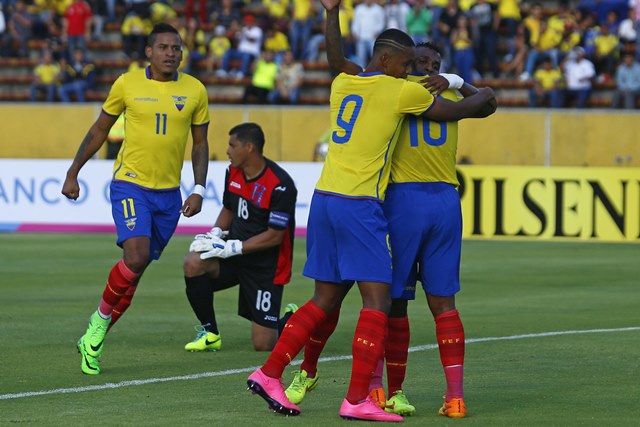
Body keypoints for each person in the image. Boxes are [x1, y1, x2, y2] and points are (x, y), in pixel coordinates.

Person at [246, 0, 495, 422]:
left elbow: (335, 56)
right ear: (387, 60)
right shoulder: (403, 91)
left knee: (325, 298)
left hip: (324, 198)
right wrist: (453, 80)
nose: (409, 70)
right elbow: (477, 105)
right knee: (381, 300)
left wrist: (331, 14)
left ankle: (273, 373)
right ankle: (362, 396)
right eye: (405, 63)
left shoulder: (345, 81)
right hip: (365, 204)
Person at [61, 23, 210, 376]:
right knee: (136, 255)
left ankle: (93, 339)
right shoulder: (126, 84)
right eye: (163, 47)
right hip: (130, 185)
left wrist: (199, 188)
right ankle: (98, 323)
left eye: (176, 48)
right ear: (149, 52)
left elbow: (200, 143)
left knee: (136, 270)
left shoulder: (195, 90)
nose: (171, 53)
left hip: (169, 195)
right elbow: (100, 128)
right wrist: (73, 171)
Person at [184, 122, 298, 352]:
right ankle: (210, 333)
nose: (227, 150)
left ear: (249, 148)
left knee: (263, 344)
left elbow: (275, 236)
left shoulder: (280, 185)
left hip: (265, 265)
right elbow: (229, 207)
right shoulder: (232, 171)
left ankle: (294, 320)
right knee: (193, 262)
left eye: (232, 145)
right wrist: (215, 233)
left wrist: (233, 248)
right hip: (234, 253)